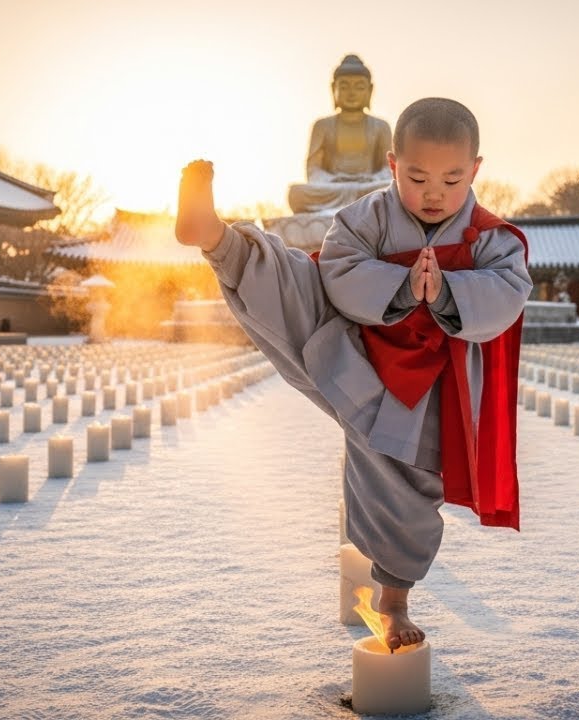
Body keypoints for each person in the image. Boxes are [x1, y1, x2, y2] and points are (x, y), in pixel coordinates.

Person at [175, 98, 532, 650]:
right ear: (392, 166)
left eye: (451, 179)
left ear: (476, 171)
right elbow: (337, 267)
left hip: (425, 397)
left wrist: (448, 291)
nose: (433, 193)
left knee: (407, 486)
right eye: (417, 178)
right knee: (299, 283)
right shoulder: (365, 216)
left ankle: (394, 601)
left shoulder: (491, 238)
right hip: (355, 351)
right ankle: (218, 239)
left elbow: (510, 292)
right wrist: (399, 285)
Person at [287, 55, 393, 214]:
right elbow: (313, 169)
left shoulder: (381, 126)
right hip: (333, 188)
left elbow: (389, 168)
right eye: (344, 87)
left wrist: (372, 179)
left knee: (393, 190)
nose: (351, 93)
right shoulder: (322, 126)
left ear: (370, 90)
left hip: (369, 187)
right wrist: (332, 180)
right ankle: (364, 207)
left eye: (359, 87)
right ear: (333, 89)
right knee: (296, 193)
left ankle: (363, 204)